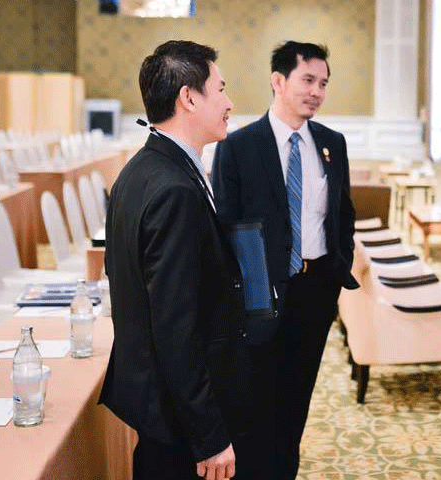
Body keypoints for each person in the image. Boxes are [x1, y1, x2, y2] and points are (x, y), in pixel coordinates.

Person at [99, 40, 255, 480]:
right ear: (188, 97)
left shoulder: (141, 169)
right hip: (178, 418)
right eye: (220, 89)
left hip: (160, 406)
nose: (229, 102)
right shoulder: (173, 189)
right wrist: (209, 436)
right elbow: (175, 327)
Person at [211, 40, 358, 480]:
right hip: (260, 297)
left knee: (295, 405)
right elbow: (226, 226)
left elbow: (342, 214)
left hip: (315, 292)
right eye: (307, 80)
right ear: (278, 80)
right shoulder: (239, 146)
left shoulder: (332, 143)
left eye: (323, 83)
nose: (316, 91)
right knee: (256, 410)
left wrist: (338, 270)